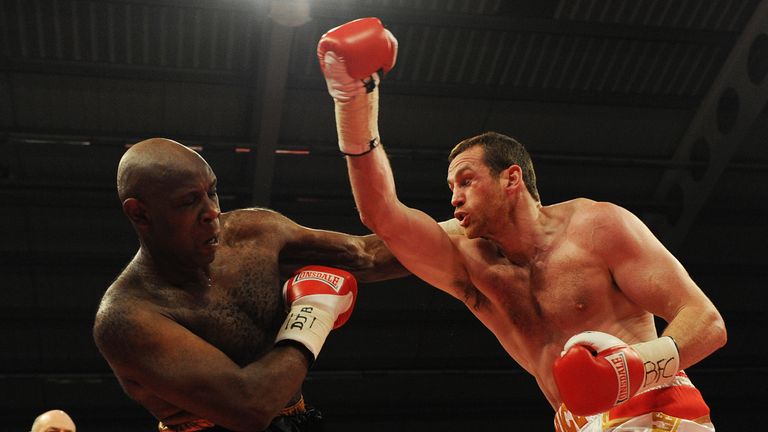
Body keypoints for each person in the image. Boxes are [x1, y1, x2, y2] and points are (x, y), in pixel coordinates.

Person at [317, 18, 727, 431]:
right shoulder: (466, 259)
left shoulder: (596, 225)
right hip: (575, 422)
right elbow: (381, 214)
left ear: (511, 179)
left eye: (466, 180)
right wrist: (353, 99)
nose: (454, 196)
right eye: (451, 186)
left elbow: (707, 321)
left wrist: (634, 369)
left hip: (652, 400)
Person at [93, 137, 410, 432]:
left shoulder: (254, 233)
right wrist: (314, 314)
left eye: (212, 191)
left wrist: (458, 236)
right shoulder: (128, 316)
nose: (212, 211)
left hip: (296, 418)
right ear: (140, 214)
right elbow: (250, 406)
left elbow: (365, 255)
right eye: (189, 201)